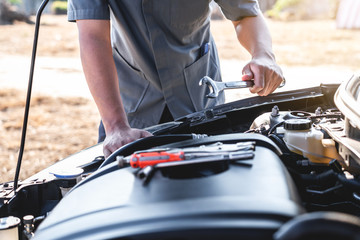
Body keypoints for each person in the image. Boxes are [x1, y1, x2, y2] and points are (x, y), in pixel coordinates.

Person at [68, 0, 285, 158]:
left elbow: (245, 14)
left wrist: (264, 55)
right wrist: (115, 126)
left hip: (200, 100)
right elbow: (93, 35)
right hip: (130, 109)